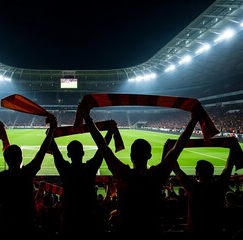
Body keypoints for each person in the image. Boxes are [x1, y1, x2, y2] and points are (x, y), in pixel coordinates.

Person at [78, 100, 199, 237]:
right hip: (151, 231)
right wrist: (194, 119)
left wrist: (87, 117)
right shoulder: (157, 175)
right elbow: (178, 147)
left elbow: (103, 147)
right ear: (150, 155)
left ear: (131, 155)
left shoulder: (123, 174)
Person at [0, 115, 57, 239]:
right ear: (21, 159)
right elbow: (42, 151)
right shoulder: (26, 173)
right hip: (27, 224)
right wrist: (51, 129)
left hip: (6, 225)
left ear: (6, 160)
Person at [49, 120, 115, 238]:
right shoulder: (90, 168)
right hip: (88, 218)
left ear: (68, 155)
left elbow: (55, 150)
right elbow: (102, 149)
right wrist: (110, 131)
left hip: (69, 218)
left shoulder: (65, 169)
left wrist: (50, 132)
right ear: (83, 153)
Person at [172, 138, 241, 239]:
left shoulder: (193, 187)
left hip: (194, 233)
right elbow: (228, 167)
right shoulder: (219, 186)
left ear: (198, 173)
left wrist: (172, 148)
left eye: (196, 169)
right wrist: (233, 146)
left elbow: (176, 168)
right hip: (214, 232)